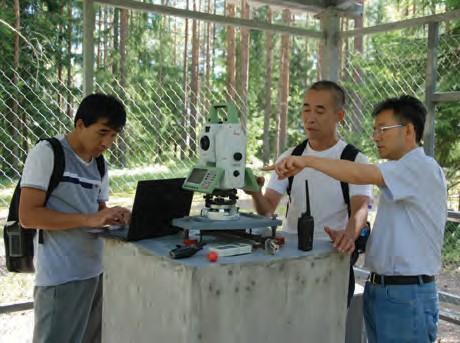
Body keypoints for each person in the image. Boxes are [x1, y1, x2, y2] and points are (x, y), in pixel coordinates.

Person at [266, 95, 447, 342]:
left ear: (408, 130)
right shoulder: (399, 172)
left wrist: (307, 161)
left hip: (405, 295)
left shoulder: (420, 167)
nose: (375, 137)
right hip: (384, 290)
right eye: (374, 130)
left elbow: (359, 173)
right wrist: (351, 236)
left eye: (383, 129)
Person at [19, 93, 131, 343]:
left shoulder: (99, 165)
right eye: (102, 132)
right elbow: (27, 215)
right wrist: (88, 219)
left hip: (95, 272)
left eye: (114, 135)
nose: (108, 142)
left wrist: (114, 215)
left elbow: (98, 211)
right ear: (80, 124)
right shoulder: (48, 152)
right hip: (60, 277)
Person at [248, 80, 372, 306]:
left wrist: (349, 236)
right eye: (306, 109)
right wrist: (254, 191)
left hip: (332, 260)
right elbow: (267, 209)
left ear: (339, 116)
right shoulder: (289, 156)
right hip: (291, 260)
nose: (310, 117)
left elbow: (360, 209)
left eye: (320, 110)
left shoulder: (354, 160)